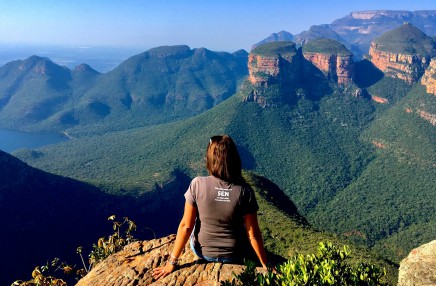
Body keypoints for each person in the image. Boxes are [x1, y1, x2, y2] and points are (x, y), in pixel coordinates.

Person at [152, 135, 268, 280]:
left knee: (194, 224)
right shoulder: (245, 191)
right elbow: (253, 234)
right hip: (234, 254)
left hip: (203, 252)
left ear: (210, 160)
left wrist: (172, 263)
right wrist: (265, 265)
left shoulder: (197, 184)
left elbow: (186, 226)